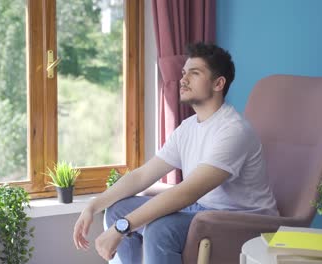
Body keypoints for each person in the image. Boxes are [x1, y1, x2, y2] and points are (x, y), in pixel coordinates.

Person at [72, 42, 279, 264]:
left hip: (242, 222)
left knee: (161, 228)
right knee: (117, 210)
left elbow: (187, 192)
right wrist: (92, 206)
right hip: (203, 210)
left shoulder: (233, 131)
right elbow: (142, 176)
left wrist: (123, 227)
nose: (183, 79)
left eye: (194, 73)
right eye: (183, 73)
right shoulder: (188, 128)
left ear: (218, 83)